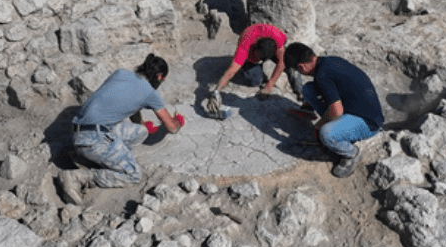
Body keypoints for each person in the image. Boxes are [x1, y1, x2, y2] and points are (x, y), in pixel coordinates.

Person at [59, 54, 183, 203]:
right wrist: (179, 122)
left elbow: (133, 108)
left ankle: (86, 158)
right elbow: (171, 127)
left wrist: (143, 124)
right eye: (162, 80)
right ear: (159, 76)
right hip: (93, 139)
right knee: (134, 175)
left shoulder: (121, 73)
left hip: (78, 131)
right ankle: (78, 177)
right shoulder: (150, 93)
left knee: (141, 131)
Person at [284, 42, 384, 178]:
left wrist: (318, 126)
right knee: (308, 89)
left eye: (297, 70)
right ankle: (321, 116)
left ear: (301, 66)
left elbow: (336, 110)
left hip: (368, 123)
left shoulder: (322, 75)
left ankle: (352, 154)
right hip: (358, 109)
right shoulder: (327, 62)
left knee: (325, 134)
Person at [212, 23, 303, 101]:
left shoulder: (276, 36)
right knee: (255, 80)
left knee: (292, 63)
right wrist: (216, 92)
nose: (261, 59)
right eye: (259, 57)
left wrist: (269, 86)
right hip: (250, 55)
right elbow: (230, 71)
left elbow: (282, 62)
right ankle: (251, 66)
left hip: (269, 47)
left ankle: (301, 93)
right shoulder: (245, 44)